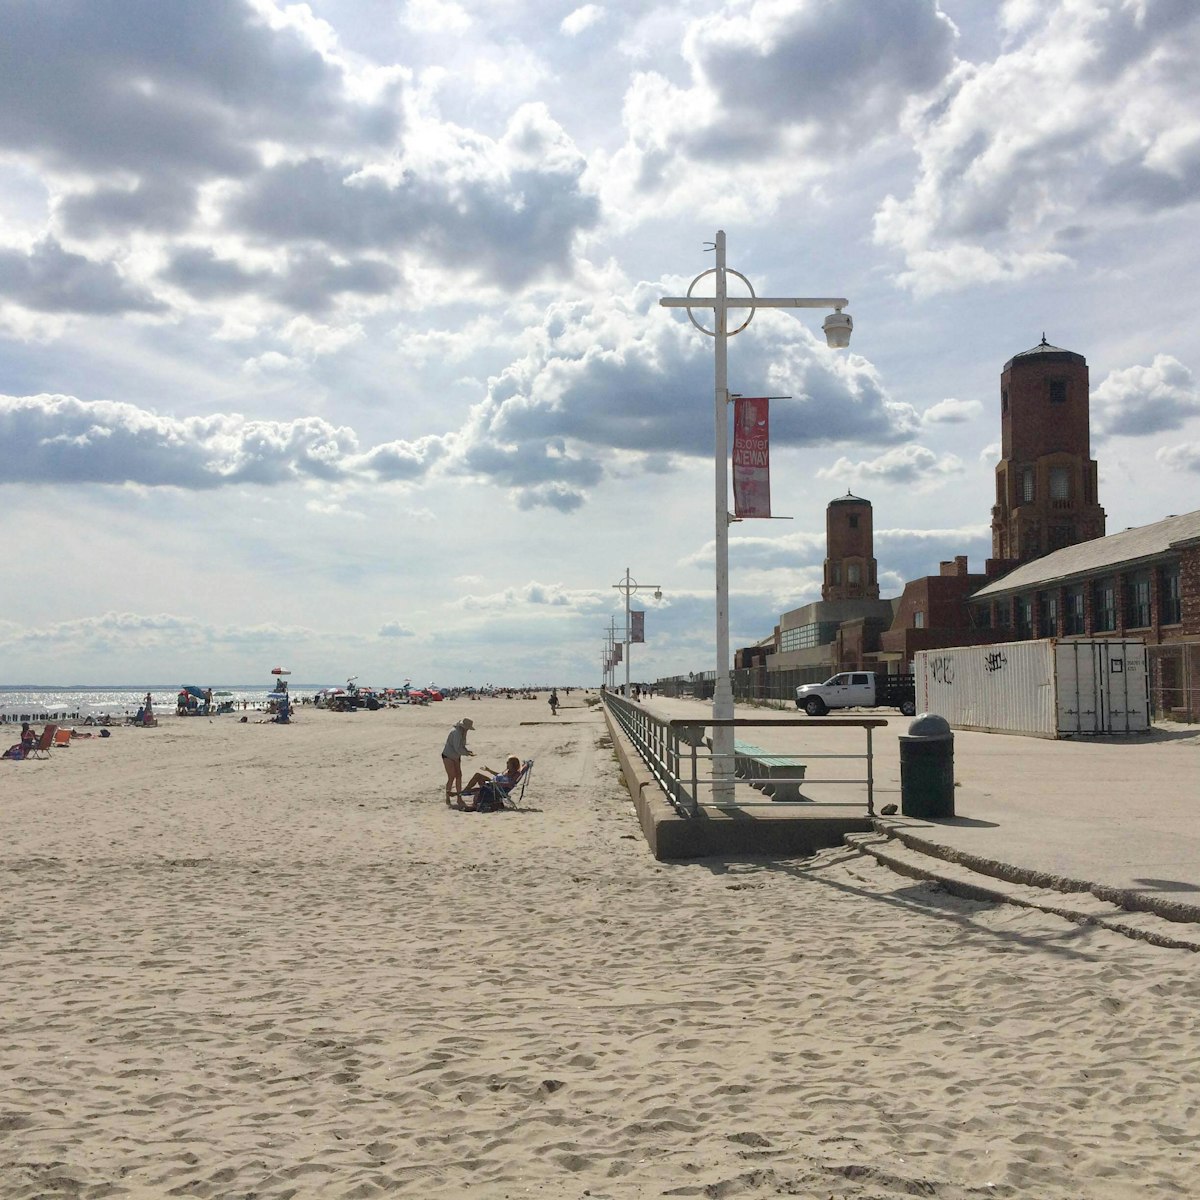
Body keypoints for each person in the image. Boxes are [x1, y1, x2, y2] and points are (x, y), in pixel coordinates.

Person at [459, 754, 523, 810]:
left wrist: (498, 783)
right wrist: (489, 770)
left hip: (497, 787)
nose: (507, 764)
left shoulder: (515, 774)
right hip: (494, 783)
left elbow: (510, 784)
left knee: (479, 780)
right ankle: (466, 792)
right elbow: (499, 775)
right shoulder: (507, 771)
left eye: (508, 762)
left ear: (513, 764)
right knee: (478, 775)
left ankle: (466, 794)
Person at [441, 717, 475, 804]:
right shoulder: (456, 732)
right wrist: (466, 753)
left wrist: (467, 751)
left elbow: (461, 745)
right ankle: (448, 797)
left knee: (459, 776)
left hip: (456, 756)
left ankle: (459, 797)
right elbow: (457, 748)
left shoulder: (462, 732)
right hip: (448, 755)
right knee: (451, 777)